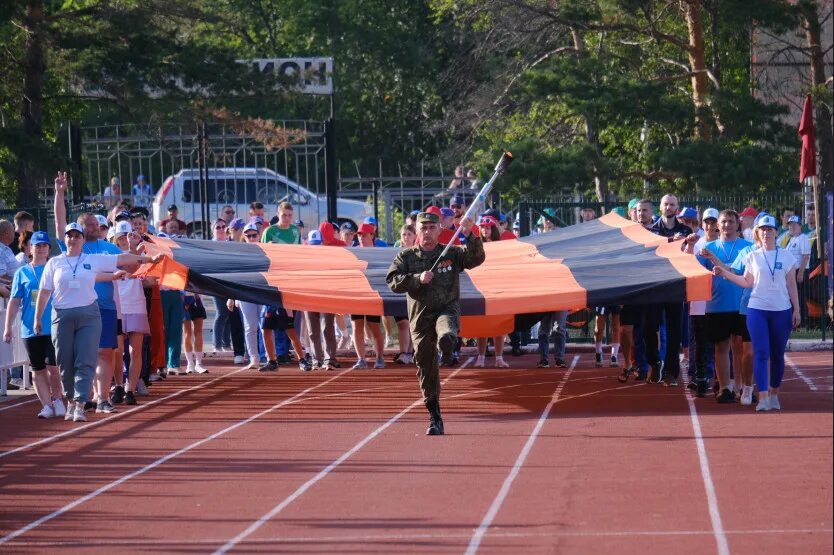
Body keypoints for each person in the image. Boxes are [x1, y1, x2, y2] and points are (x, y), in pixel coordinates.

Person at [34, 222, 160, 422]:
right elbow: (45, 291)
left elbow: (122, 257)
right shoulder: (54, 263)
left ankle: (80, 404)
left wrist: (147, 258)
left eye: (77, 236)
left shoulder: (92, 260)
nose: (73, 239)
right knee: (65, 361)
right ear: (64, 239)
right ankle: (70, 401)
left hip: (89, 315)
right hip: (62, 315)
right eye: (70, 236)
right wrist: (37, 318)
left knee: (86, 359)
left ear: (83, 240)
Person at [386, 211, 485, 435]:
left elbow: (475, 259)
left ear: (440, 229)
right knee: (424, 363)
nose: (428, 232)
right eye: (423, 229)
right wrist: (416, 279)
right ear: (417, 232)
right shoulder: (406, 257)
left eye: (432, 228)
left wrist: (470, 234)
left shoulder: (451, 253)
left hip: (446, 308)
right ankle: (434, 415)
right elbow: (392, 281)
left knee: (447, 328)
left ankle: (448, 345)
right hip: (420, 317)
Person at [712, 215, 800, 411]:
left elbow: (792, 284)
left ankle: (774, 392)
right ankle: (762, 397)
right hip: (757, 309)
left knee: (777, 354)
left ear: (776, 232)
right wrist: (725, 273)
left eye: (770, 229)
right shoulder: (751, 256)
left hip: (781, 310)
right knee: (760, 353)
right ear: (757, 233)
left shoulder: (786, 256)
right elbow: (746, 282)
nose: (767, 232)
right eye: (763, 229)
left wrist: (797, 309)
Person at [3, 231, 65, 419]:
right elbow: (14, 301)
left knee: (53, 368)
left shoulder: (54, 268)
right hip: (29, 329)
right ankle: (46, 405)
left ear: (48, 249)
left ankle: (58, 400)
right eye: (37, 245)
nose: (40, 249)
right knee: (37, 369)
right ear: (30, 248)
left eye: (44, 246)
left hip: (52, 326)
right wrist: (8, 327)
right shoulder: (22, 272)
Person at [698, 209, 753, 403]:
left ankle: (742, 387)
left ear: (738, 224)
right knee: (721, 346)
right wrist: (688, 247)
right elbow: (694, 270)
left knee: (742, 348)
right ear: (716, 225)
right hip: (717, 304)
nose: (727, 225)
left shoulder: (749, 247)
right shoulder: (707, 247)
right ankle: (725, 387)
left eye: (731, 221)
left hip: (743, 305)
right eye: (723, 222)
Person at [110, 221, 152, 404]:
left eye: (129, 235)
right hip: (118, 305)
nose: (126, 239)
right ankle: (119, 385)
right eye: (122, 236)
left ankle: (130, 389)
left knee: (135, 351)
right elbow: (127, 268)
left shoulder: (142, 253)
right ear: (116, 239)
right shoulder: (110, 255)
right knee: (117, 351)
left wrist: (136, 251)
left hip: (136, 305)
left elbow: (149, 279)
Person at [473, 216, 509, 368]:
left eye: (488, 227)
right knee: (482, 325)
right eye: (482, 227)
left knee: (499, 325)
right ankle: (481, 356)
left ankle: (499, 358)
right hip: (481, 289)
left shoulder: (501, 247)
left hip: (497, 289)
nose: (485, 230)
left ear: (493, 230)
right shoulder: (476, 245)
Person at [351, 223, 387, 369]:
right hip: (356, 294)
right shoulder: (353, 252)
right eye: (359, 235)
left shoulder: (378, 252)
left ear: (372, 235)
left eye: (364, 235)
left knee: (374, 327)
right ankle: (361, 359)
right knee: (356, 326)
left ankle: (380, 357)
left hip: (373, 295)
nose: (361, 238)